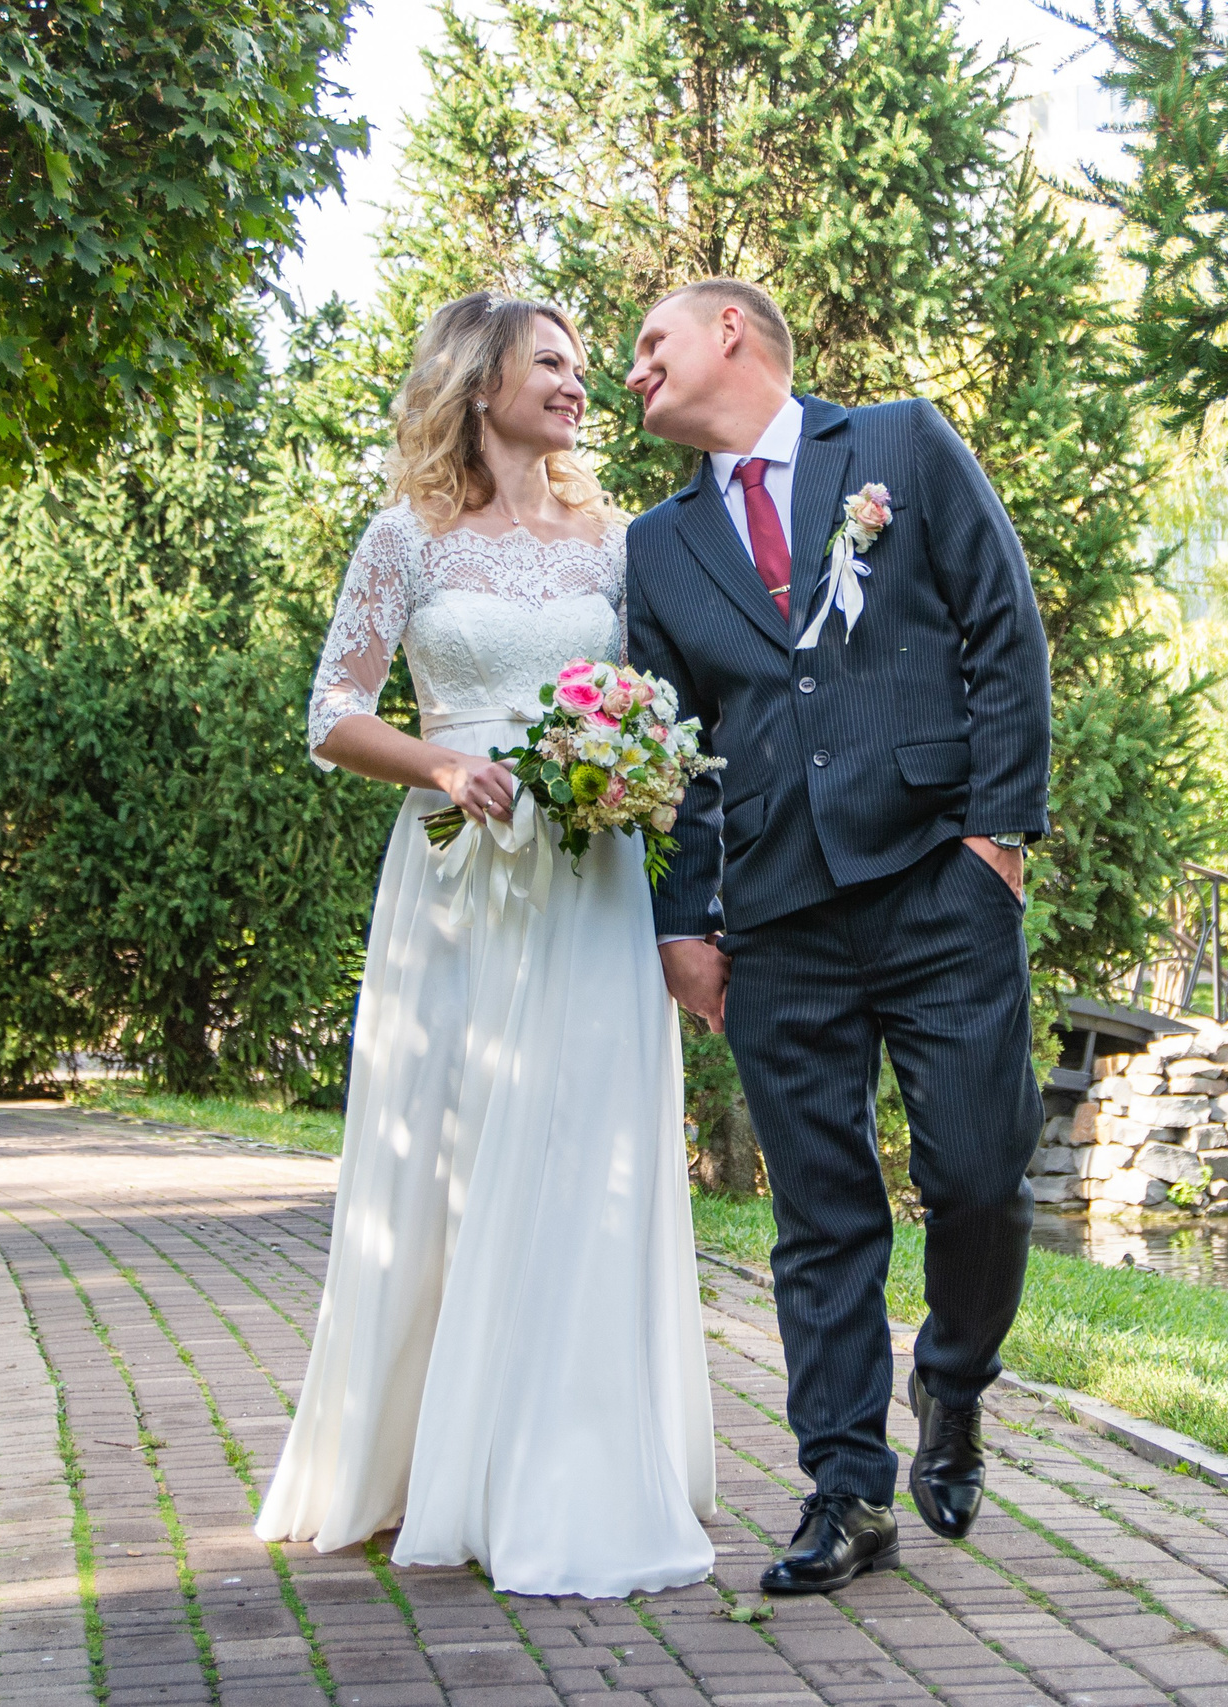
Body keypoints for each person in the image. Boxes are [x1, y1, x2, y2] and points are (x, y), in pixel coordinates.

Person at [254, 290, 716, 1599]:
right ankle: (426, 1463)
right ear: (480, 380)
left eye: (582, 365)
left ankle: (569, 1460)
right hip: (457, 891)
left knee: (589, 1159)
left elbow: (653, 696)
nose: (580, 385)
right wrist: (443, 759)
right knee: (454, 1163)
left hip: (589, 883)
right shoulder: (404, 537)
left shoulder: (614, 543)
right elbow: (332, 711)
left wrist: (633, 765)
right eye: (554, 363)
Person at [624, 279, 1052, 1594]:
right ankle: (847, 1490)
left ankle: (957, 1378)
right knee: (819, 1213)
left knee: (978, 1170)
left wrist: (997, 837)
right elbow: (673, 749)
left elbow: (1003, 631)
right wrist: (682, 920)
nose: (633, 372)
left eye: (652, 344)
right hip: (777, 916)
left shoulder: (902, 447)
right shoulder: (657, 546)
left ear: (731, 335)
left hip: (936, 875)